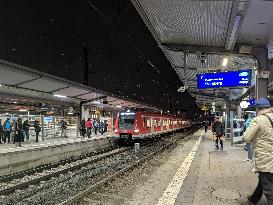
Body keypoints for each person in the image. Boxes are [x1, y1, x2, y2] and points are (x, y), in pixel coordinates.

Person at [242, 97, 273, 205]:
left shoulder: (258, 120)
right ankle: (253, 199)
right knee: (264, 180)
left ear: (259, 109)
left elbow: (246, 137)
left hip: (266, 159)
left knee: (269, 190)